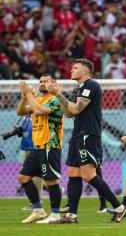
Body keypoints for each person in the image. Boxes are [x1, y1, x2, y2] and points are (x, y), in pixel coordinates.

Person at [46, 59, 126, 224]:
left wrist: (58, 94)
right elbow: (69, 114)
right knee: (73, 173)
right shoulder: (79, 89)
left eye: (75, 68)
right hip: (78, 134)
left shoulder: (91, 85)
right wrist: (59, 97)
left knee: (88, 174)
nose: (71, 69)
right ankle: (71, 216)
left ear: (85, 72)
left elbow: (76, 109)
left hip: (88, 134)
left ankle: (120, 207)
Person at [16, 75, 64, 223]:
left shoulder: (55, 100)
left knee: (51, 181)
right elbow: (20, 111)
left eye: (46, 81)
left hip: (50, 146)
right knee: (23, 178)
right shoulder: (39, 100)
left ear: (53, 84)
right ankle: (38, 211)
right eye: (40, 81)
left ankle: (55, 214)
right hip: (37, 147)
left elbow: (39, 111)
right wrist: (24, 97)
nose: (42, 84)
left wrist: (29, 94)